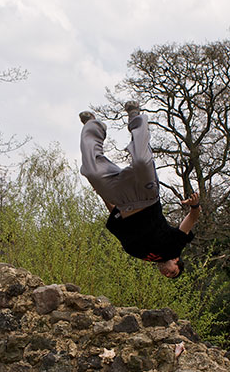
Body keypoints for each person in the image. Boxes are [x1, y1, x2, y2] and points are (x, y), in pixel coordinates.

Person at [79, 101, 201, 278]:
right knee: (141, 162)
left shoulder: (139, 254)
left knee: (91, 171)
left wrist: (103, 193)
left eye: (167, 276)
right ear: (176, 260)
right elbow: (191, 220)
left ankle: (92, 125)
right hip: (146, 197)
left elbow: (117, 217)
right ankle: (135, 115)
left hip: (121, 200)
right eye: (173, 272)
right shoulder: (175, 246)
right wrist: (195, 205)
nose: (167, 273)